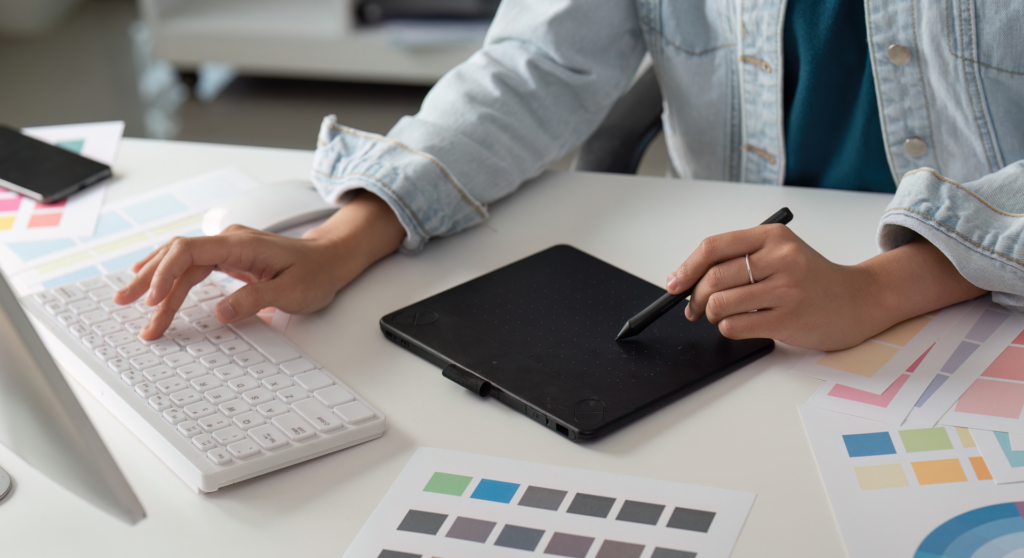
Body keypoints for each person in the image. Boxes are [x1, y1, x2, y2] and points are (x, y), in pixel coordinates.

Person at [116, 0, 1023, 351]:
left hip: (981, 298)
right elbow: (539, 64)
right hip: (736, 313)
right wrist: (345, 236)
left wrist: (881, 288)